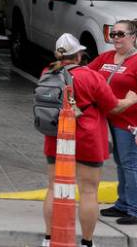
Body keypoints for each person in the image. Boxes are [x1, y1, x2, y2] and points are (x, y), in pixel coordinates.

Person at [40, 34, 137, 247]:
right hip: (87, 138)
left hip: (55, 137)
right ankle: (86, 242)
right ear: (79, 55)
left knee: (53, 187)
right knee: (88, 191)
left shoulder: (48, 72)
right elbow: (113, 106)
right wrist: (130, 99)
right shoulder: (90, 76)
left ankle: (48, 239)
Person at [88, 20, 137, 225]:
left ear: (133, 36)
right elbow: (86, 74)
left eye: (120, 34)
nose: (115, 38)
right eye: (112, 34)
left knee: (130, 164)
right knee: (120, 162)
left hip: (129, 120)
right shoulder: (106, 57)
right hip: (109, 117)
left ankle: (134, 209)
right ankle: (123, 203)